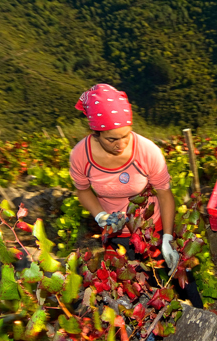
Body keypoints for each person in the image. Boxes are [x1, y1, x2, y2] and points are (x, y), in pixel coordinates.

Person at [69, 83, 203, 308]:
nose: (120, 145)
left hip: (153, 227)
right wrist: (100, 216)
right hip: (115, 231)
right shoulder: (81, 155)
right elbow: (83, 191)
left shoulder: (147, 151)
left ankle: (202, 313)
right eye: (112, 139)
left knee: (179, 275)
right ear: (96, 132)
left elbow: (164, 193)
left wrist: (168, 238)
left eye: (125, 136)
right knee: (134, 283)